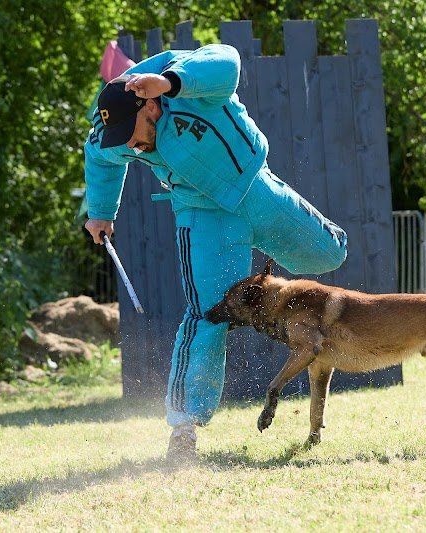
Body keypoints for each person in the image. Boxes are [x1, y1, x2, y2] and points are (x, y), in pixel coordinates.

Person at [83, 43, 347, 462]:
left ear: (151, 106)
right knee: (207, 312)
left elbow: (228, 61)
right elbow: (99, 156)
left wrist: (170, 82)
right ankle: (184, 429)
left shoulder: (187, 81)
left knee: (331, 254)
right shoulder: (115, 130)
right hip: (203, 215)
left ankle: (263, 258)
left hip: (255, 190)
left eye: (132, 135)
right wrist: (99, 212)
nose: (131, 147)